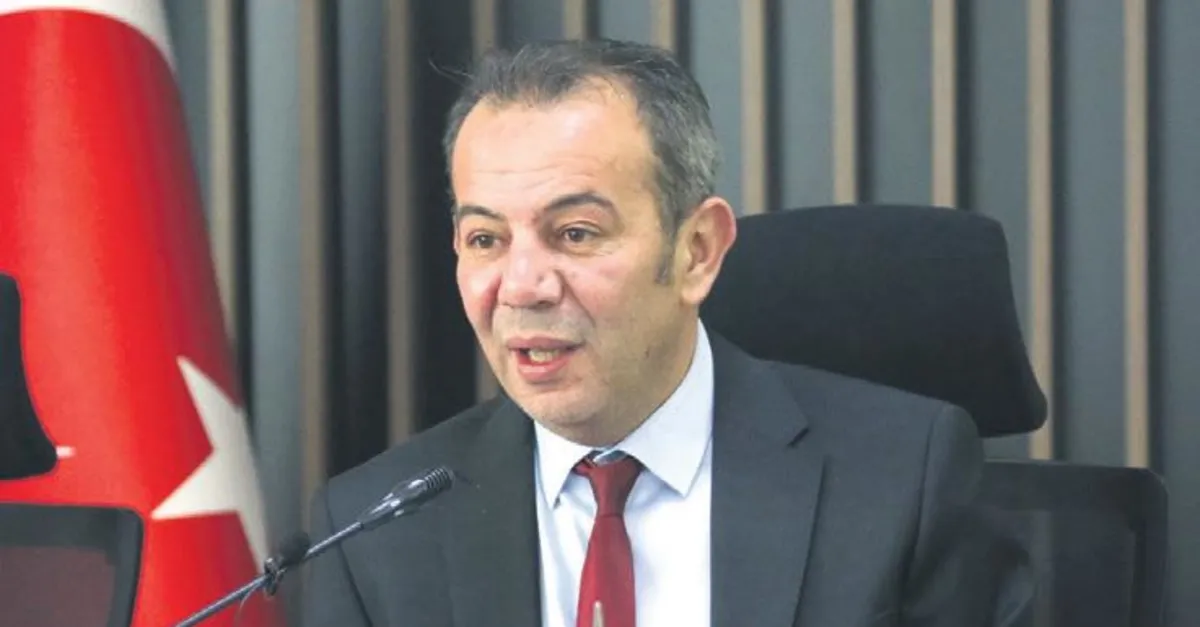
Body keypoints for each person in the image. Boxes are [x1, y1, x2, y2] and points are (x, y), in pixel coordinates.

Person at [302, 38, 1032, 627]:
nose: (521, 286)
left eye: (575, 232)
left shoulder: (901, 482)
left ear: (697, 252)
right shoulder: (373, 532)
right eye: (486, 240)